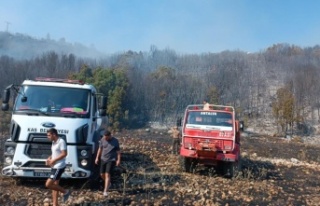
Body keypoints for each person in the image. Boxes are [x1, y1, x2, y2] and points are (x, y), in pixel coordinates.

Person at [45, 128, 71, 206]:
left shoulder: (61, 142)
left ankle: (66, 192)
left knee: (48, 184)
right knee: (55, 185)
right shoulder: (53, 142)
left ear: (54, 134)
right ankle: (55, 204)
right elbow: (55, 153)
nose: (48, 137)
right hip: (54, 165)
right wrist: (49, 158)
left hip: (59, 166)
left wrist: (54, 160)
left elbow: (64, 154)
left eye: (49, 135)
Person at [95, 130, 121, 197]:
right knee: (101, 174)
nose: (105, 139)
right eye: (104, 137)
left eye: (106, 137)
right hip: (103, 159)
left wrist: (118, 160)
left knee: (107, 174)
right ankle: (108, 183)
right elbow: (100, 149)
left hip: (111, 160)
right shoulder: (102, 140)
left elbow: (118, 152)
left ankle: (105, 191)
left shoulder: (115, 141)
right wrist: (97, 158)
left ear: (110, 135)